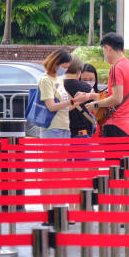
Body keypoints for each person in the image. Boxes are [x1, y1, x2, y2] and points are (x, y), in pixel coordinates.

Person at [37, 49, 90, 209]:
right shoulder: (45, 80)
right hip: (52, 130)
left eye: (67, 67)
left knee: (61, 173)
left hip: (64, 130)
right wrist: (74, 100)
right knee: (50, 173)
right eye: (63, 66)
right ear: (56, 63)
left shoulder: (58, 80)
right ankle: (48, 210)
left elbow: (66, 107)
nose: (65, 70)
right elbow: (52, 107)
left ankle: (58, 209)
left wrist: (78, 100)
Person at [89, 33, 129, 137]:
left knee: (112, 154)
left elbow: (116, 98)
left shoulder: (117, 68)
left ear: (107, 48)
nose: (105, 55)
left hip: (115, 124)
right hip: (127, 125)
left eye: (104, 51)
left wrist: (95, 105)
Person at [64, 56, 97, 139]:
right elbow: (98, 107)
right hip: (82, 133)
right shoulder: (86, 87)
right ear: (79, 71)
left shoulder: (58, 86)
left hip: (62, 132)